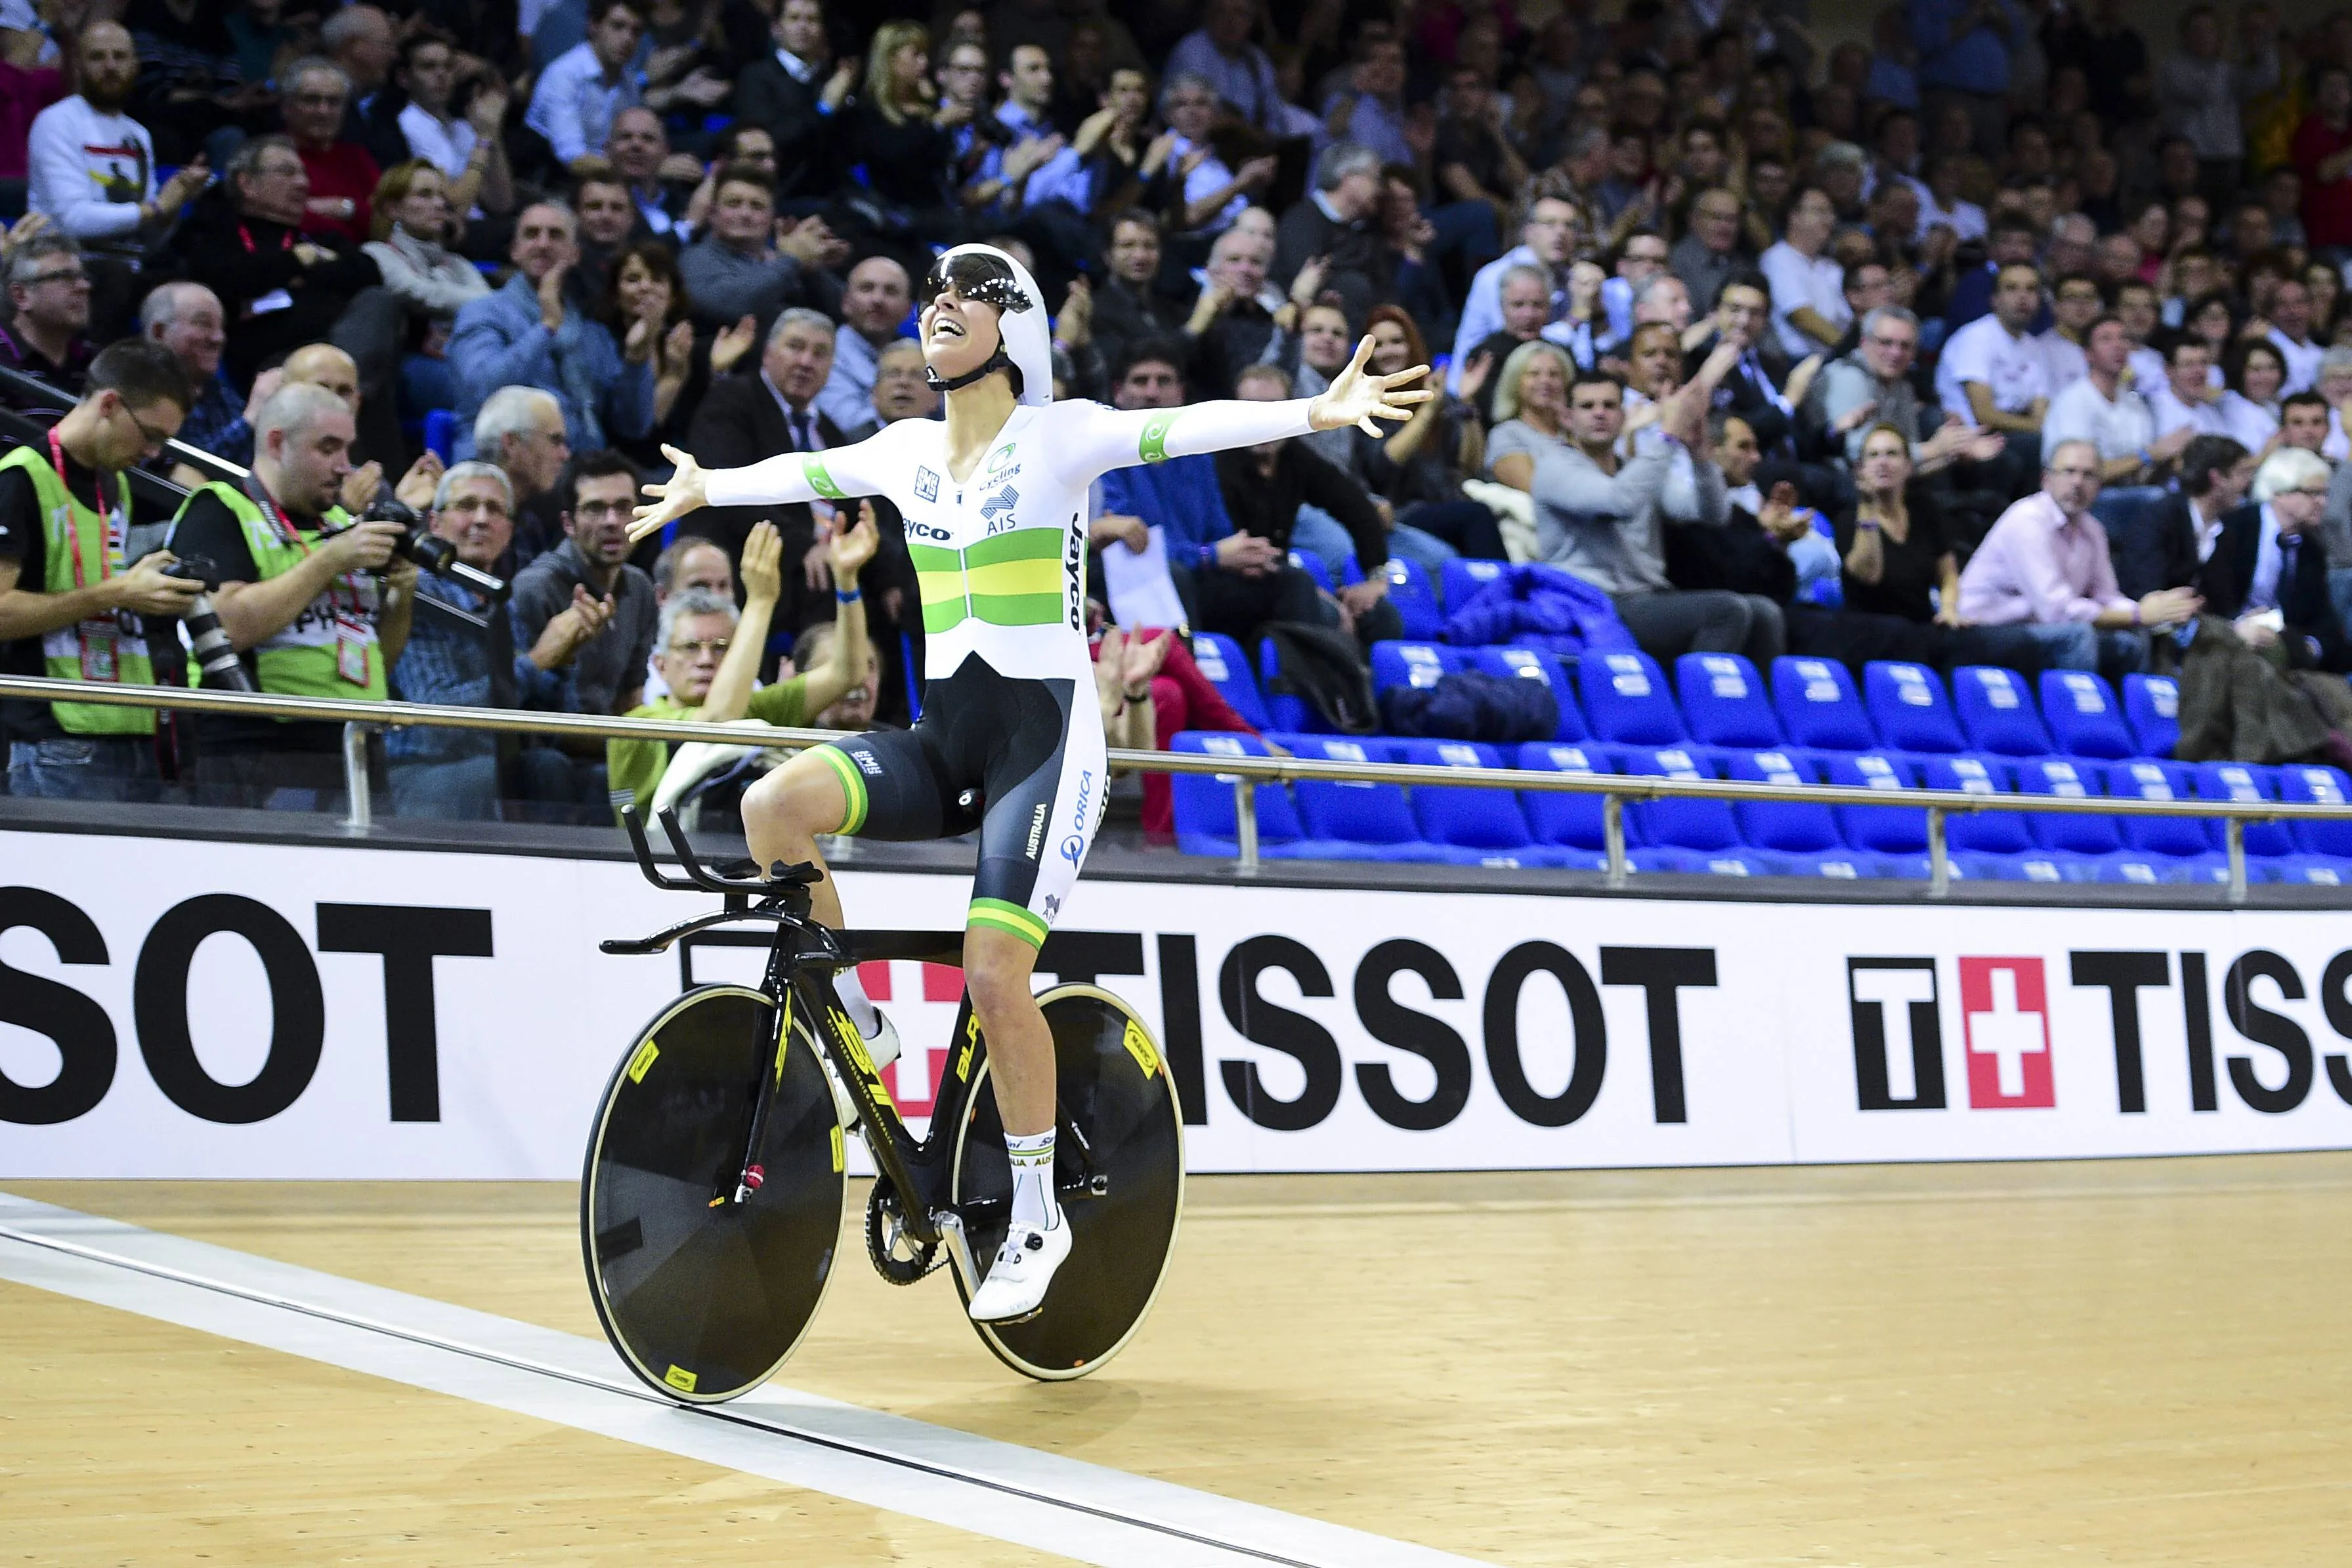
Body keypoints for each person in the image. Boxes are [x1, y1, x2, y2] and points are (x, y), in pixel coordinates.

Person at [626, 244, 1427, 1322]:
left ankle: (1040, 1211)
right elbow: (806, 473)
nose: (939, 307)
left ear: (1017, 327)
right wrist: (708, 486)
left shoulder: (1062, 433)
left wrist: (1316, 414)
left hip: (1046, 744)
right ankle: (863, 1022)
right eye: (933, 296)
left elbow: (1181, 425)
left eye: (968, 295)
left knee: (995, 974)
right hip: (946, 736)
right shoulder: (905, 446)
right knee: (774, 806)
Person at [167, 382, 433, 809]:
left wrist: (401, 596)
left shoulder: (340, 525)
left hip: (355, 745)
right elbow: (227, 626)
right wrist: (328, 561)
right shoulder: (220, 507)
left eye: (348, 449)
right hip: (264, 752)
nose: (345, 467)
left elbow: (376, 660)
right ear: (277, 442)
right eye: (328, 448)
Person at [0, 339, 199, 799]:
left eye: (164, 442)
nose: (152, 452)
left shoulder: (117, 485)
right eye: (149, 434)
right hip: (55, 739)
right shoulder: (20, 479)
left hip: (127, 725)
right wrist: (118, 592)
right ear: (109, 403)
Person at [1490, 366, 1783, 666]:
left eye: (1609, 405)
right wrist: (1667, 435)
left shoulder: (1633, 470)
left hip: (1648, 598)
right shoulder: (1555, 469)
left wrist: (1699, 455)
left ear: (1624, 415)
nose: (1599, 413)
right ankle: (1695, 706)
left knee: (1764, 613)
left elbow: (1713, 514)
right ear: (1567, 417)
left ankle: (1759, 710)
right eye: (1587, 407)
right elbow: (1619, 501)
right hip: (1593, 601)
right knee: (1727, 610)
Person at [609, 514, 875, 824]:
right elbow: (716, 726)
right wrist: (761, 602)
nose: (706, 660)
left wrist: (847, 582)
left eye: (722, 648)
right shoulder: (636, 725)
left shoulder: (753, 708)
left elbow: (849, 671)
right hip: (649, 863)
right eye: (691, 647)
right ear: (661, 664)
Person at [385, 461, 614, 818]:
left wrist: (565, 658)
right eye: (466, 506)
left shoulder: (503, 604)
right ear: (434, 524)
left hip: (489, 761)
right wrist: (538, 660)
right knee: (515, 775)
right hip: (420, 769)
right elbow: (438, 719)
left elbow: (544, 725)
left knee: (585, 776)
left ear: (508, 530)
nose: (480, 519)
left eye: (494, 510)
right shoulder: (419, 593)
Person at [1955, 439, 2202, 677]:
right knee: (2078, 636)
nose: (2077, 482)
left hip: (2038, 627)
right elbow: (2056, 611)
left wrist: (2152, 610)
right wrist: (2138, 616)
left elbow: (2106, 596)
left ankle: (2128, 718)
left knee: (2132, 641)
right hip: (1984, 630)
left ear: (2100, 486)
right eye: (2069, 472)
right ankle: (2080, 717)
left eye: (2088, 475)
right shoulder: (2026, 520)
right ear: (2046, 480)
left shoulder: (2093, 529)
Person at [170, 135, 387, 390]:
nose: (303, 183)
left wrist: (292, 271)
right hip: (268, 359)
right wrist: (299, 259)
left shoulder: (316, 237)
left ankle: (337, 386)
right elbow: (228, 278)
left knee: (379, 300)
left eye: (304, 174)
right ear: (247, 183)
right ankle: (340, 390)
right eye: (287, 172)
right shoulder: (215, 232)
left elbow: (369, 271)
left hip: (331, 344)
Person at [448, 201, 654, 459]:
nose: (543, 244)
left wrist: (636, 360)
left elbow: (633, 427)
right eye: (532, 234)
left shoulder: (593, 333)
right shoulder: (482, 313)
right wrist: (547, 328)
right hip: (499, 465)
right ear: (515, 251)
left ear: (575, 254)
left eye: (556, 235)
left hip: (580, 470)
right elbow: (480, 392)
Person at [26, 20, 211, 250]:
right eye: (97, 57)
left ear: (135, 66)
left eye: (120, 57)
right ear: (77, 66)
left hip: (128, 265)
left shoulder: (138, 135)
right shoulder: (57, 121)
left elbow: (148, 239)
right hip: (65, 264)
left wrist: (174, 203)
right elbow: (72, 221)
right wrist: (156, 208)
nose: (110, 66)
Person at [2198, 446, 2347, 671]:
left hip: (2283, 645)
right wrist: (2238, 627)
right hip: (2230, 636)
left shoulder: (2311, 549)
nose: (2322, 502)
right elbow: (2210, 597)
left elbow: (2323, 619)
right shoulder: (2235, 529)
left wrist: (2309, 647)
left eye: (2324, 494)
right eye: (2312, 493)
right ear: (2280, 493)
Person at [732, 0, 859, 205]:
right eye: (794, 18)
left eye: (812, 20)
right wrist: (824, 108)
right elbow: (771, 142)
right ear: (776, 29)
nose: (803, 27)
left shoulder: (833, 80)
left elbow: (851, 151)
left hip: (836, 196)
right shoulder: (756, 77)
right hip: (782, 196)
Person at [2113, 434, 2249, 599]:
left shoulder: (2226, 530)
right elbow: (2144, 591)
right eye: (2242, 473)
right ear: (2217, 478)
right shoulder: (2159, 517)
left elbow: (2221, 601)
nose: (2247, 483)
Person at [139, 281, 253, 469]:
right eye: (204, 324)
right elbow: (180, 470)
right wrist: (249, 420)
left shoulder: (217, 390)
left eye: (220, 327)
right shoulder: (137, 392)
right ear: (159, 333)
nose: (218, 338)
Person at [526, 0, 646, 177]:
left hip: (606, 179)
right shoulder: (564, 74)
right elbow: (575, 160)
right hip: (551, 181)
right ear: (594, 26)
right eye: (618, 26)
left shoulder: (630, 82)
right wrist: (649, 169)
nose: (628, 39)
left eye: (636, 32)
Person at [278, 57, 381, 249]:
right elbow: (281, 218)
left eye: (333, 102)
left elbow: (386, 217)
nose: (323, 111)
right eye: (311, 100)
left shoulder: (357, 157)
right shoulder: (271, 156)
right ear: (286, 107)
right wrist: (359, 213)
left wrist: (345, 207)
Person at [473, 386, 572, 564]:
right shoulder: (467, 521)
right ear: (511, 443)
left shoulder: (531, 524)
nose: (565, 455)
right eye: (555, 440)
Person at [816, 256, 912, 435]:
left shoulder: (921, 357)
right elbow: (853, 427)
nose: (878, 300)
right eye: (867, 289)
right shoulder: (823, 354)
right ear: (846, 302)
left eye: (891, 291)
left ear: (908, 310)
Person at [0, 233, 95, 400]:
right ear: (21, 296)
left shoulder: (97, 363)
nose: (84, 286)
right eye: (65, 277)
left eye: (83, 277)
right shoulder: (4, 359)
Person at [1759, 188, 1849, 358]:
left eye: (1831, 213)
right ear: (1795, 216)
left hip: (1835, 358)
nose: (1830, 220)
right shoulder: (1778, 258)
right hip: (1799, 361)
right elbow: (1803, 318)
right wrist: (1854, 352)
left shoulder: (1832, 266)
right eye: (1820, 212)